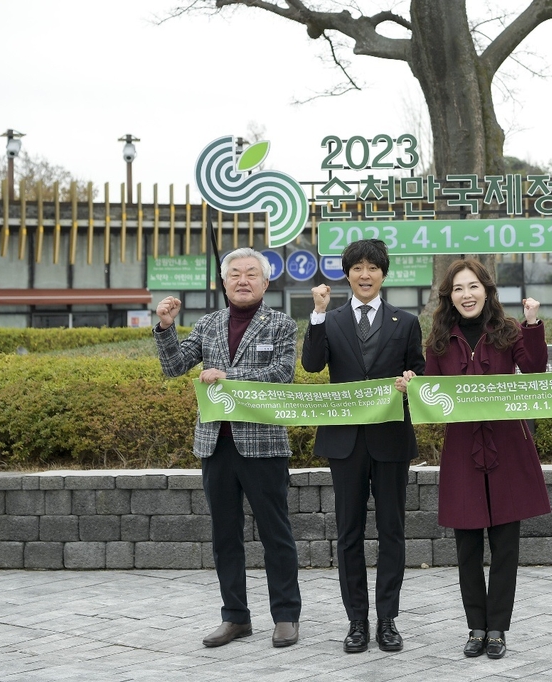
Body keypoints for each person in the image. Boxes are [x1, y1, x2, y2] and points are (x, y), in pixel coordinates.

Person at [401, 259, 550, 660]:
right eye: (458, 289)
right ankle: (476, 627)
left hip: (508, 447)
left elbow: (535, 368)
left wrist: (533, 323)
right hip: (462, 450)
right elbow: (430, 393)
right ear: (449, 296)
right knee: (466, 546)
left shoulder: (509, 331)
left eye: (473, 286)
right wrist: (415, 384)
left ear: (487, 290)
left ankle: (498, 628)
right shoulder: (438, 339)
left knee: (505, 547)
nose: (466, 295)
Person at [153, 247, 301, 649]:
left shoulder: (281, 325)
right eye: (235, 273)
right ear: (224, 281)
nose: (243, 280)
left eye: (252, 273)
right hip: (215, 445)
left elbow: (282, 374)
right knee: (224, 537)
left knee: (276, 534)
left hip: (264, 444)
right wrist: (166, 329)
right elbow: (174, 366)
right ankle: (235, 617)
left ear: (266, 282)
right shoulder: (208, 324)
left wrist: (227, 375)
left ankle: (286, 615)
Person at [301, 239, 426, 654]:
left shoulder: (405, 322)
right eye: (357, 268)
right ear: (347, 274)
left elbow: (420, 373)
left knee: (392, 530)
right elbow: (313, 364)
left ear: (384, 274)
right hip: (346, 441)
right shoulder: (330, 319)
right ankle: (356, 621)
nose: (365, 274)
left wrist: (411, 382)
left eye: (373, 267)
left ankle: (387, 619)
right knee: (349, 533)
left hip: (390, 438)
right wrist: (316, 314)